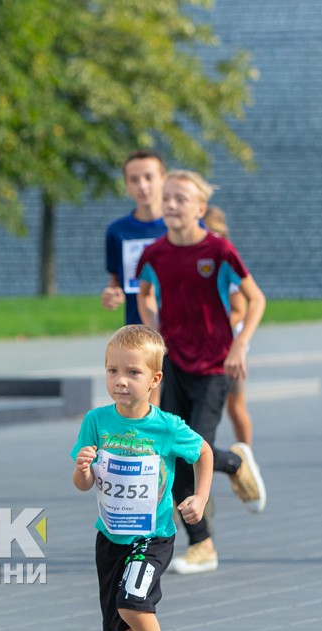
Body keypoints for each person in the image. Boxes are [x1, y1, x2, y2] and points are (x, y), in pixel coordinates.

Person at [70, 325, 212, 631]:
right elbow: (82, 484)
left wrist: (200, 497)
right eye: (112, 371)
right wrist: (82, 469)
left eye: (132, 372)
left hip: (153, 536)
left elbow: (202, 452)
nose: (120, 380)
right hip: (110, 537)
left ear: (154, 379)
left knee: (133, 601)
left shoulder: (166, 426)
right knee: (124, 622)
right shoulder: (96, 422)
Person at [136, 170, 267, 575]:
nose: (172, 205)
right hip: (173, 363)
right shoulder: (154, 254)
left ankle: (234, 466)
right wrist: (153, 333)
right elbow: (144, 294)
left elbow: (256, 298)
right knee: (174, 452)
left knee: (193, 449)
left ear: (200, 208)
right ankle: (203, 544)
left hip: (214, 364)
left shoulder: (219, 251)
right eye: (168, 198)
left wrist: (240, 344)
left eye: (181, 199)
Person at [204, 205, 253, 446]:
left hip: (230, 347)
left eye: (212, 233)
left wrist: (212, 328)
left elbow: (240, 310)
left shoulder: (225, 262)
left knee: (235, 407)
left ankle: (247, 458)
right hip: (200, 347)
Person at [102, 150, 168, 327]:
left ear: (163, 178)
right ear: (126, 184)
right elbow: (117, 278)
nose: (142, 185)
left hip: (182, 330)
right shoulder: (117, 231)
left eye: (149, 177)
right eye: (134, 179)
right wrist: (112, 293)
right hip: (138, 329)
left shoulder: (182, 226)